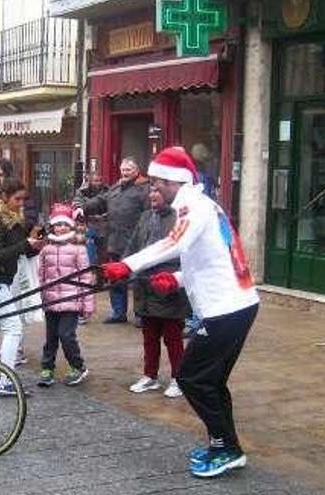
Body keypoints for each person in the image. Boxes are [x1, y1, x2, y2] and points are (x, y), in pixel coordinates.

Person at [100, 147, 259, 479]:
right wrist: (175, 279)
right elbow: (210, 260)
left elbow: (173, 243)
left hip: (226, 309)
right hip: (235, 304)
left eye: (159, 183)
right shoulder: (204, 207)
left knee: (190, 378)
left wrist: (127, 264)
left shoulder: (193, 207)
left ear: (175, 181)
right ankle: (227, 447)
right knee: (211, 381)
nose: (155, 189)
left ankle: (224, 448)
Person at [0, 178, 43, 395]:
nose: (21, 203)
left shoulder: (14, 217)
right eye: (17, 199)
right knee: (13, 327)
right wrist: (25, 244)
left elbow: (20, 249)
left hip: (2, 281)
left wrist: (35, 244)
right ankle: (5, 381)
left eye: (24, 199)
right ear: (4, 197)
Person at [123, 188, 190, 399]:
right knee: (149, 337)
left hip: (168, 286)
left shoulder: (180, 218)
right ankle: (150, 376)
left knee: (173, 338)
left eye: (158, 192)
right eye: (151, 191)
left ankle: (178, 379)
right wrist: (124, 266)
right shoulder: (144, 217)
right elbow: (134, 245)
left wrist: (171, 278)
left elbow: (183, 253)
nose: (153, 195)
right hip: (145, 287)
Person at [74, 157, 150, 324]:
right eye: (123, 169)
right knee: (115, 278)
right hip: (115, 240)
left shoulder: (145, 189)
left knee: (137, 280)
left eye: (128, 170)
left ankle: (140, 315)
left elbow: (148, 215)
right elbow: (101, 201)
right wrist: (82, 208)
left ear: (137, 171)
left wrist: (144, 237)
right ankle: (118, 312)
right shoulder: (116, 187)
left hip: (135, 243)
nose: (125, 172)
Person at [36, 203, 93, 388]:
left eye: (64, 225)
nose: (60, 228)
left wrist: (87, 304)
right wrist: (41, 296)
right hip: (51, 301)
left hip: (71, 301)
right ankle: (47, 368)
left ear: (70, 226)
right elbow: (41, 275)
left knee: (66, 334)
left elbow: (86, 276)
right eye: (57, 225)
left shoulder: (79, 249)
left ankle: (78, 366)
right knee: (51, 337)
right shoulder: (46, 250)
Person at [73, 171, 109, 265]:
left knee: (103, 255)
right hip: (88, 226)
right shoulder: (82, 191)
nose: (98, 183)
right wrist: (79, 209)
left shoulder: (108, 190)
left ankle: (101, 275)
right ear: (90, 181)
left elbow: (112, 205)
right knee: (87, 254)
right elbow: (77, 202)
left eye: (100, 181)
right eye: (95, 181)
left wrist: (105, 215)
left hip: (104, 226)